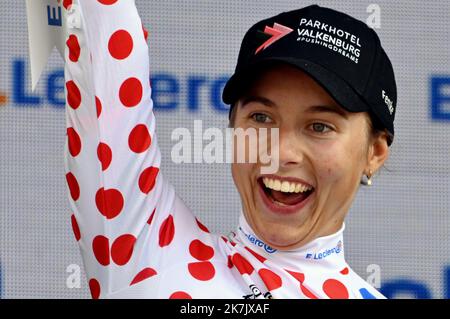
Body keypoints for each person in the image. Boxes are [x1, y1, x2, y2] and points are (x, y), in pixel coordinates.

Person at [64, 1, 396, 299]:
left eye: (319, 126)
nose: (281, 152)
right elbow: (106, 44)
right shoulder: (147, 256)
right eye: (262, 118)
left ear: (375, 152)